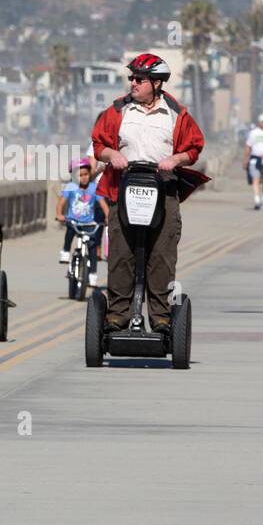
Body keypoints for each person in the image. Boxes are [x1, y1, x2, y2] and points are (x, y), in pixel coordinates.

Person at [90, 54, 209, 335]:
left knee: (162, 255)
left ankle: (161, 316)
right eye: (131, 78)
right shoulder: (118, 111)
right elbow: (98, 144)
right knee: (121, 254)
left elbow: (193, 149)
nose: (132, 82)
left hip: (163, 189)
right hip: (124, 188)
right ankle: (118, 313)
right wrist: (112, 154)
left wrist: (176, 159)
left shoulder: (176, 114)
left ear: (156, 84)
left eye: (139, 79)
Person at [56, 157, 108, 287]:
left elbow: (103, 204)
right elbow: (61, 203)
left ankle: (92, 274)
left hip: (89, 222)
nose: (84, 178)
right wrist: (59, 214)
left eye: (86, 174)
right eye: (80, 175)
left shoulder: (94, 187)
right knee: (69, 232)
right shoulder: (71, 187)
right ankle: (66, 251)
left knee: (92, 247)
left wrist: (108, 217)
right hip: (73, 220)